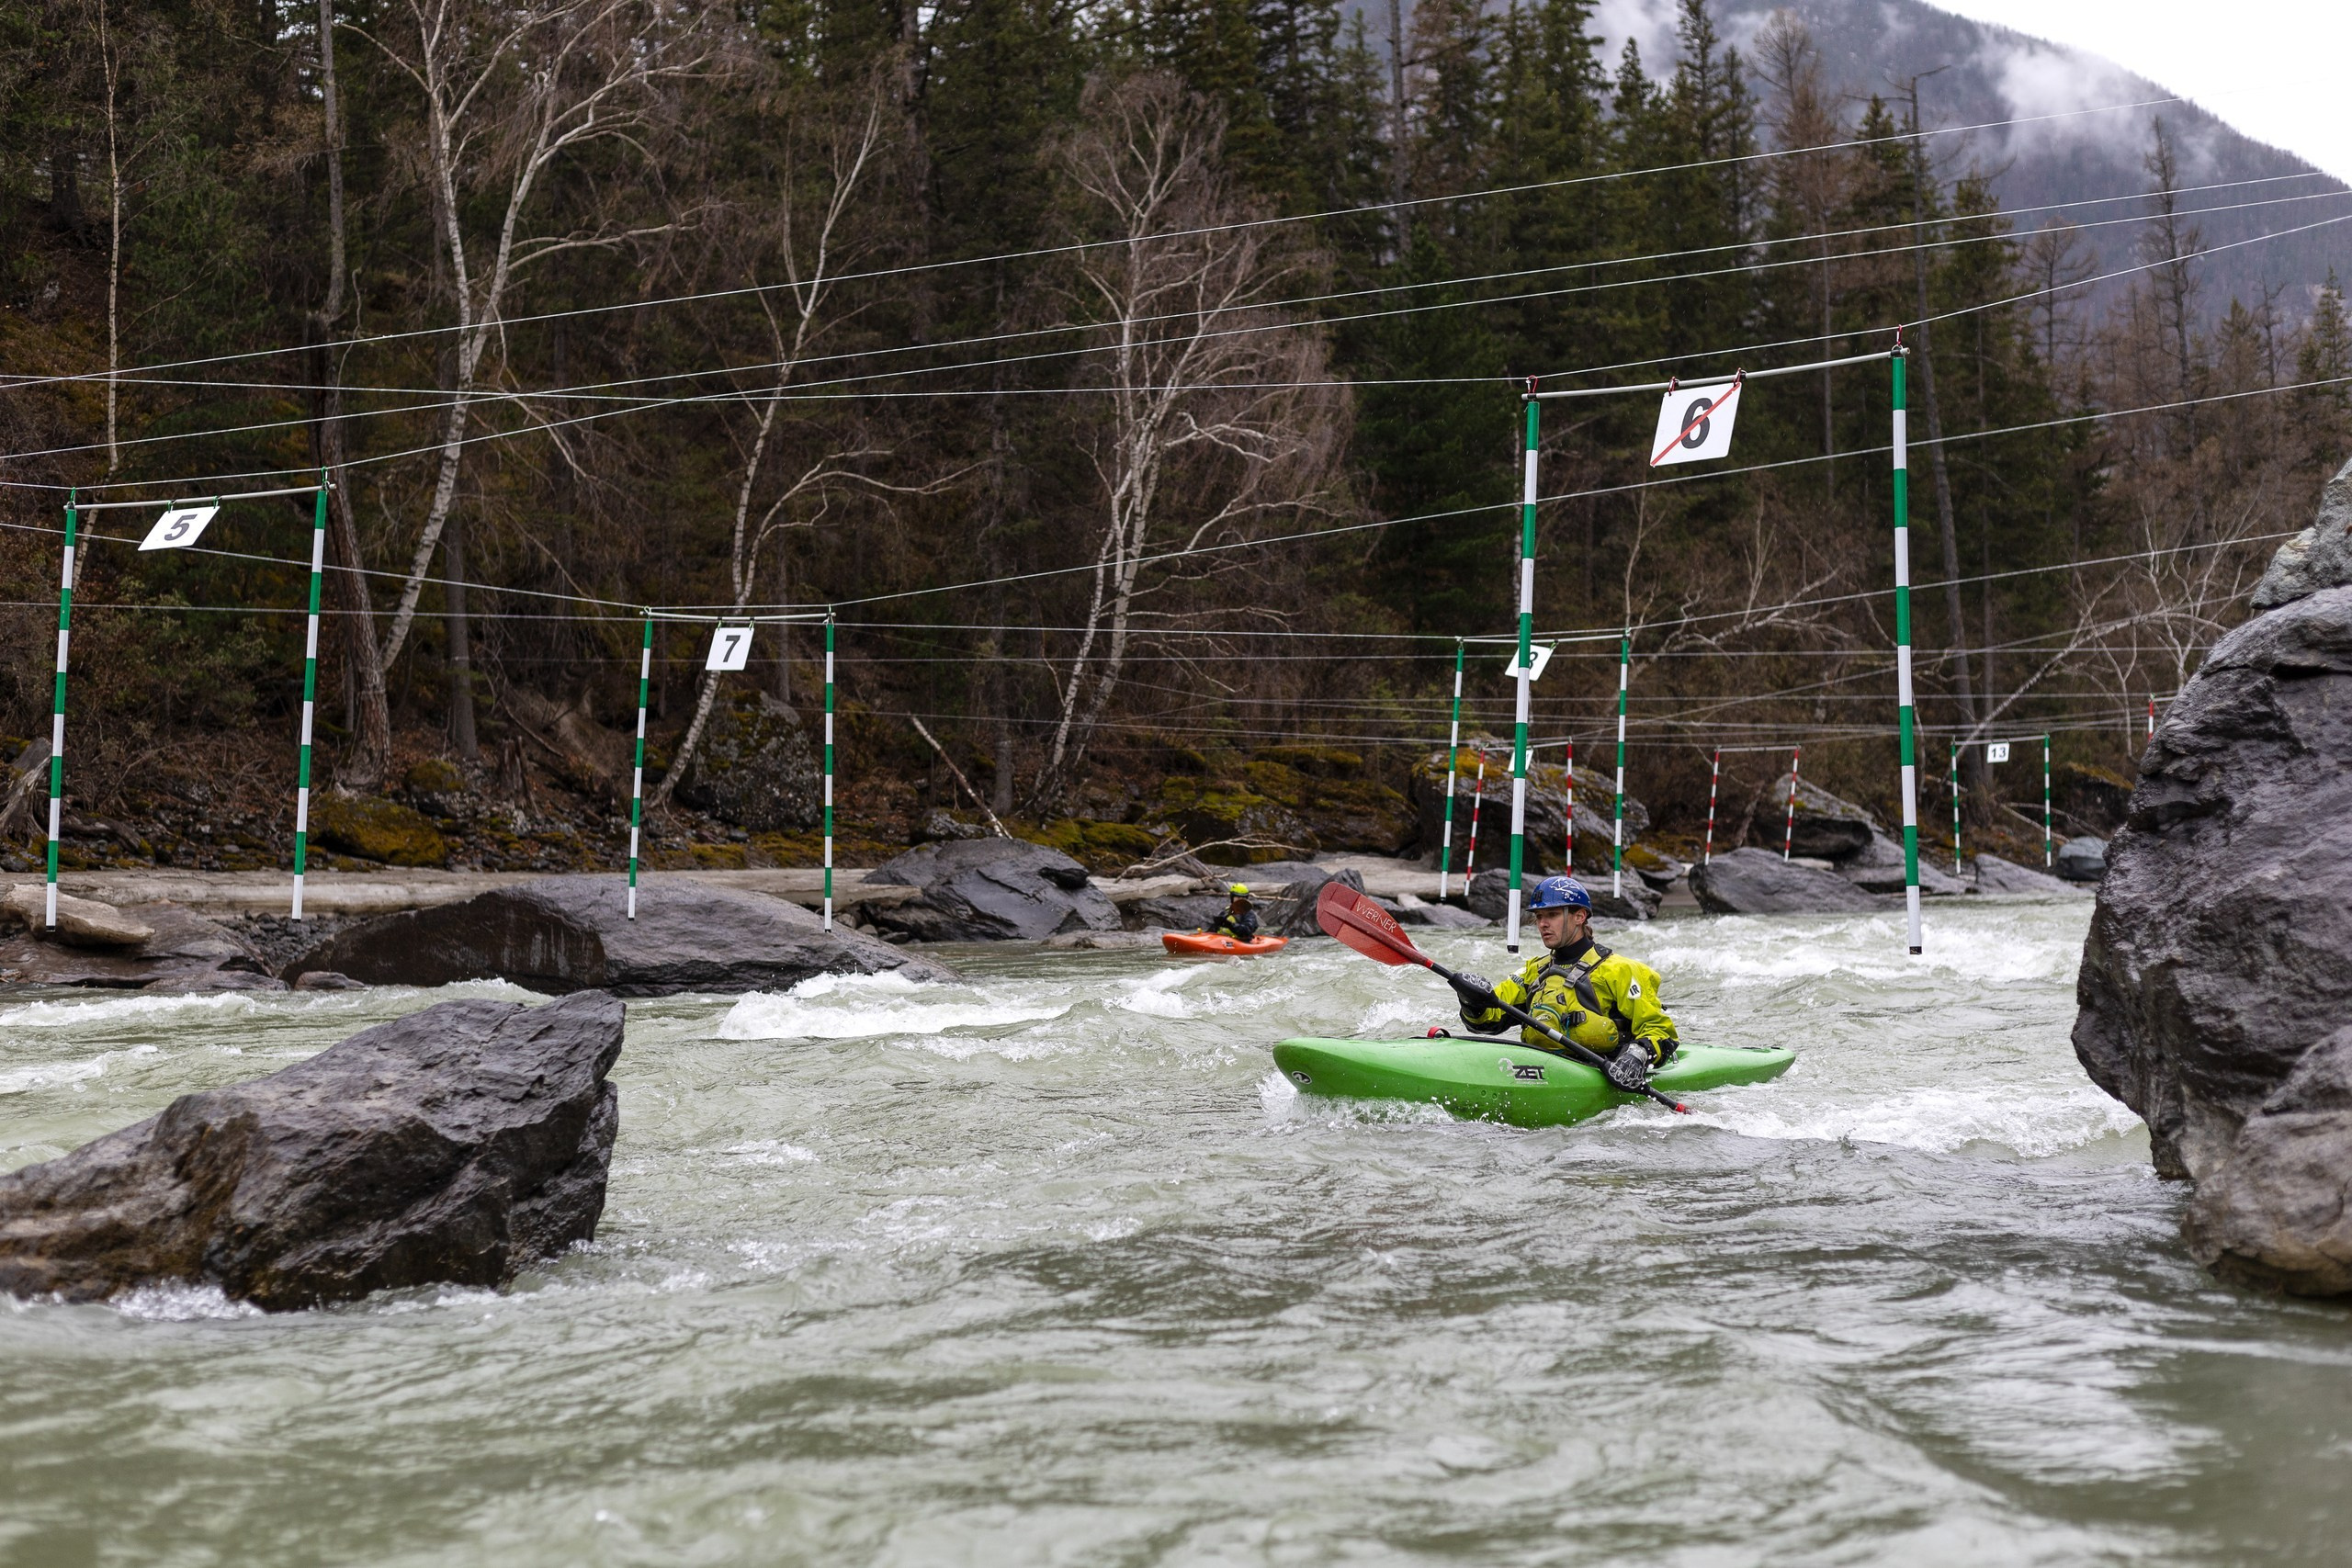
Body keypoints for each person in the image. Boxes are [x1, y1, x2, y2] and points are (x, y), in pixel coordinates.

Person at [1448, 874, 1679, 1089]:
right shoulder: (1533, 972)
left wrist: (1638, 1055)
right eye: (1539, 917)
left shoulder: (1620, 970)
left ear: (1580, 916)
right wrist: (1471, 1000)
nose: (1542, 924)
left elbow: (1661, 1031)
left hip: (1601, 1074)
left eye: (1552, 915)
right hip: (1544, 1073)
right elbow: (1487, 1021)